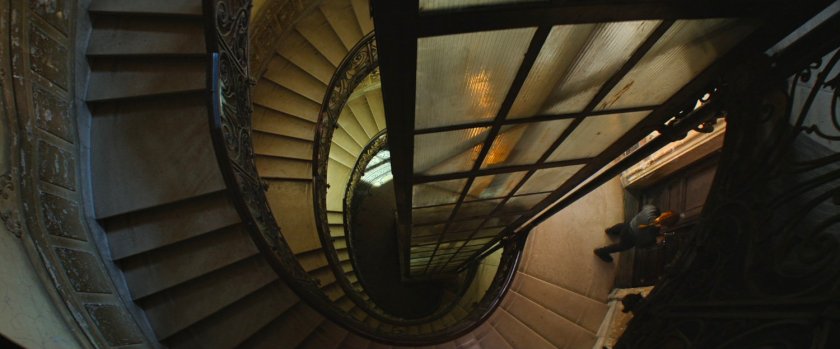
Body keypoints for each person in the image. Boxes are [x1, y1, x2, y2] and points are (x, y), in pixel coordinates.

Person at [594, 205, 680, 262]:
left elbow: (645, 207)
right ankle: (601, 251)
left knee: (622, 226)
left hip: (630, 224)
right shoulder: (653, 234)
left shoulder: (653, 209)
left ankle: (610, 231)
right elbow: (640, 245)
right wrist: (656, 241)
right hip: (630, 238)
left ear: (665, 213)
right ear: (667, 226)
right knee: (621, 246)